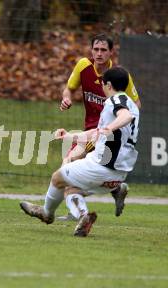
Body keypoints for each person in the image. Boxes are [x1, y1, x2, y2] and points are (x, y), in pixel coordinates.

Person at [20, 66, 140, 237]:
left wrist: (110, 127)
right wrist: (70, 136)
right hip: (119, 173)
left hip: (102, 166)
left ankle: (46, 213)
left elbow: (124, 116)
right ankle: (84, 217)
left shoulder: (115, 101)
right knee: (71, 189)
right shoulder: (132, 104)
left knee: (58, 177)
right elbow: (97, 133)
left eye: (103, 85)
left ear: (108, 85)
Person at [58, 33, 141, 221]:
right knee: (72, 167)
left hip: (105, 134)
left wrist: (115, 124)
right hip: (91, 129)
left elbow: (136, 105)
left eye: (104, 50)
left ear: (111, 52)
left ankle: (76, 211)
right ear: (91, 50)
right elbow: (69, 89)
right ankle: (116, 188)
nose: (99, 53)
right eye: (96, 49)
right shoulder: (83, 66)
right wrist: (66, 98)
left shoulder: (119, 76)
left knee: (67, 164)